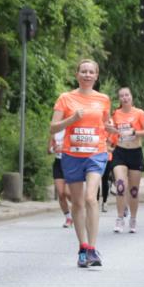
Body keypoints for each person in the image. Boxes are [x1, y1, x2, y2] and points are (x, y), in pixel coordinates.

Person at [50, 60, 112, 268]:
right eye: (83, 71)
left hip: (96, 153)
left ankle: (93, 249)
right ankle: (83, 246)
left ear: (96, 76)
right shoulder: (65, 98)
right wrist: (72, 119)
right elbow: (53, 127)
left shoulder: (103, 99)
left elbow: (106, 124)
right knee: (77, 203)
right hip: (72, 155)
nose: (87, 74)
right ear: (77, 74)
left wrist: (113, 130)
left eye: (91, 72)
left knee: (90, 198)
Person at [110, 88, 144, 233]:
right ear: (119, 99)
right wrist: (110, 135)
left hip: (135, 152)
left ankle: (133, 218)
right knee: (120, 185)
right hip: (120, 152)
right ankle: (120, 218)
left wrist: (134, 132)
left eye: (127, 95)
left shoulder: (139, 113)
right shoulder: (115, 114)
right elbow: (110, 130)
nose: (124, 98)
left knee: (133, 191)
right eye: (121, 96)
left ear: (131, 97)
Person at [50, 130, 73, 228]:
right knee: (61, 193)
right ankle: (68, 217)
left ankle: (79, 209)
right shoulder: (55, 131)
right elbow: (49, 150)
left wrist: (64, 148)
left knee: (68, 192)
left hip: (70, 162)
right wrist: (53, 149)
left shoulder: (72, 129)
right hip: (58, 163)